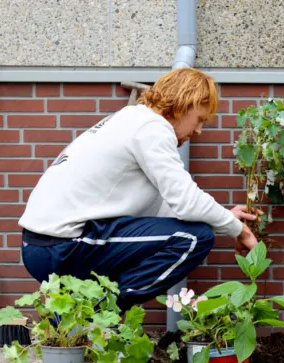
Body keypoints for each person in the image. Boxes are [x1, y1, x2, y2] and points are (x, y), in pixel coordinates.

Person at [18, 67, 258, 311]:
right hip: (61, 246)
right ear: (183, 105)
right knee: (194, 238)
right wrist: (240, 231)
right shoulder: (151, 129)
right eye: (199, 119)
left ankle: (73, 321)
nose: (198, 131)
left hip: (44, 245)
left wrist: (224, 218)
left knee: (183, 233)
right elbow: (187, 202)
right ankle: (97, 318)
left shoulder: (133, 119)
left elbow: (170, 205)